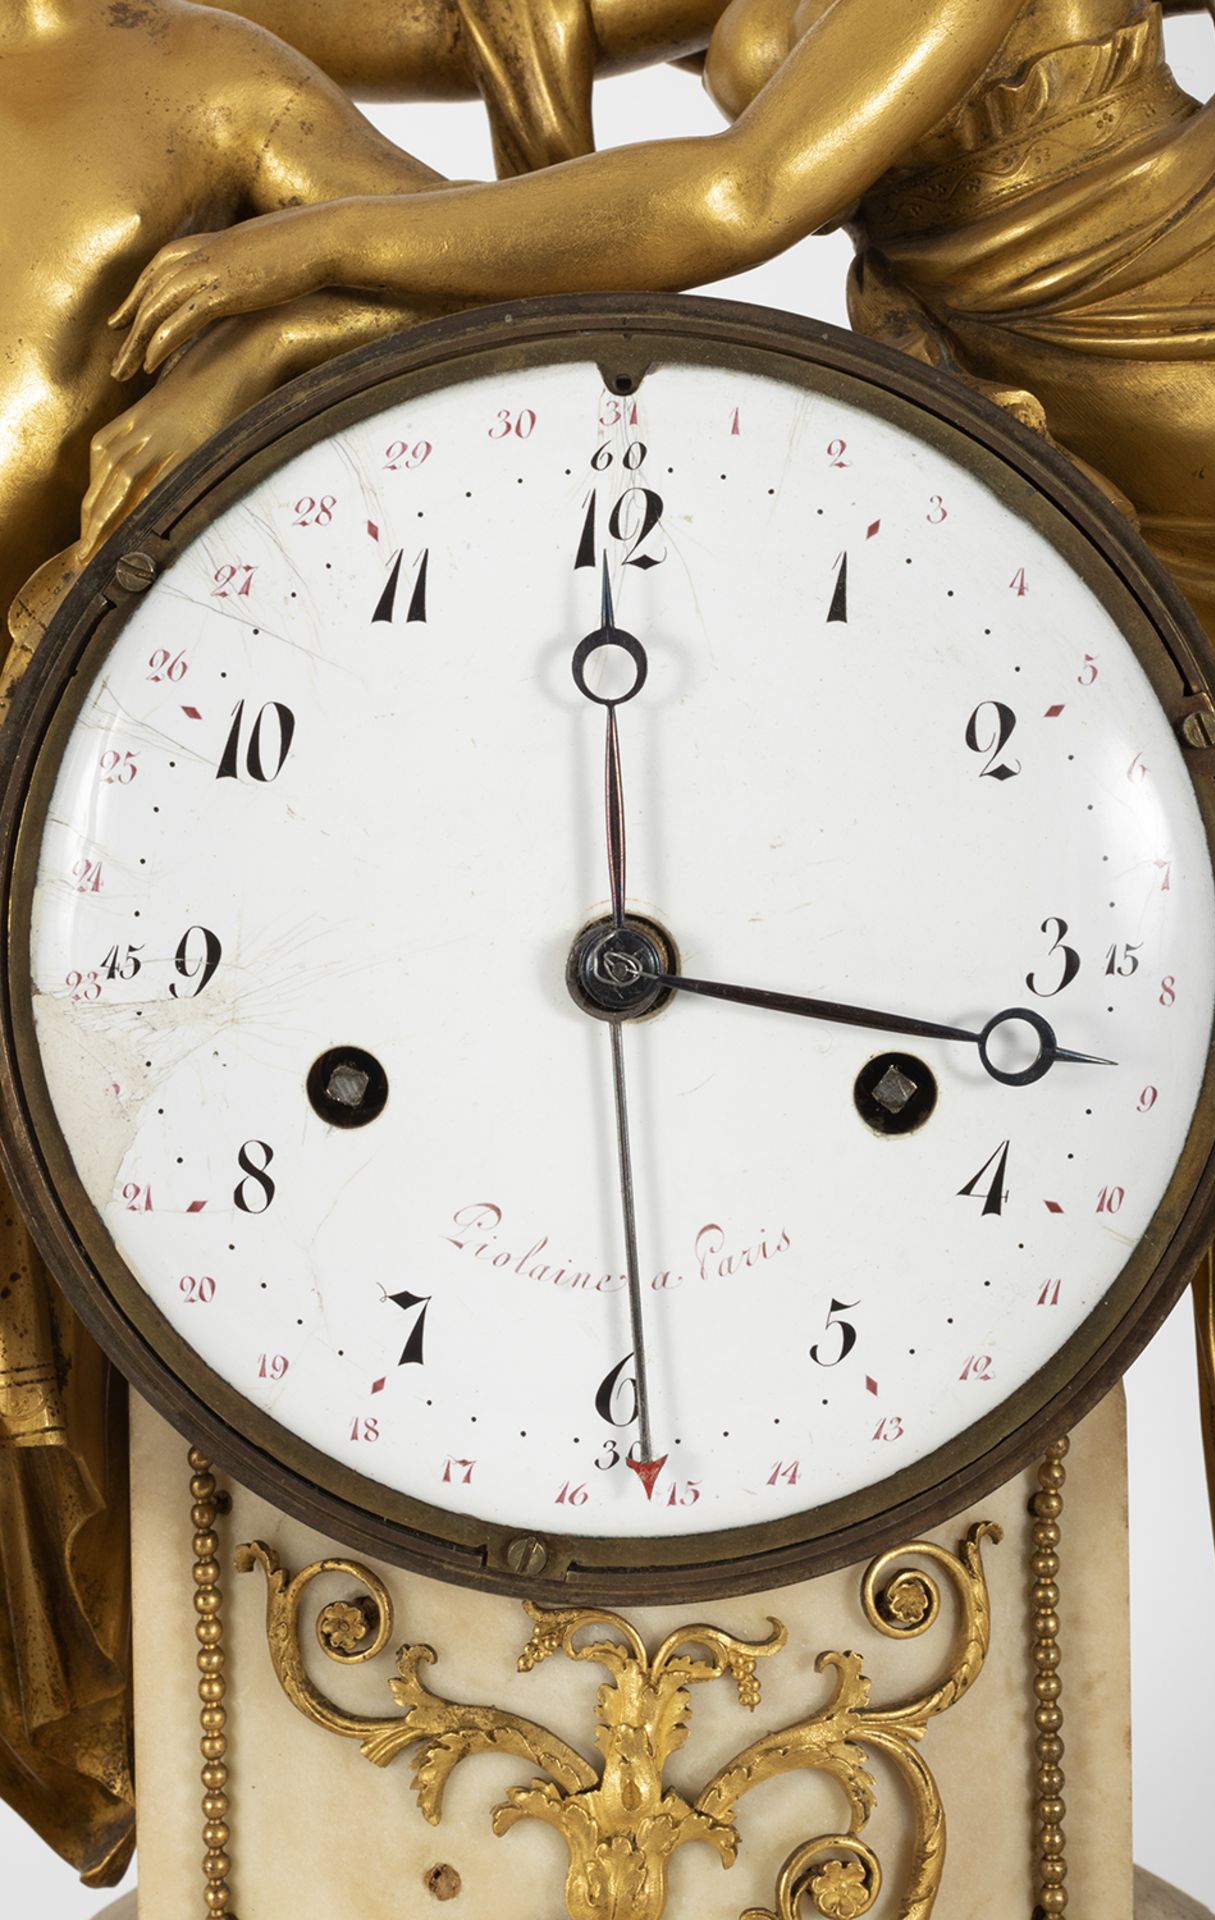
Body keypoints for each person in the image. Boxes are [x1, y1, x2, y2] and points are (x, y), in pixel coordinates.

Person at [105, 0, 1215, 1790]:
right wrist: (159, 47)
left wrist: (320, 246)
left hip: (1193, 399)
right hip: (1041, 421)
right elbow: (462, 19)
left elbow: (738, 197)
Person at [0, 0, 541, 1883]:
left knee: (143, 1412)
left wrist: (261, 354)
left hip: (124, 843)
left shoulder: (194, 78)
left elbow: (508, 320)